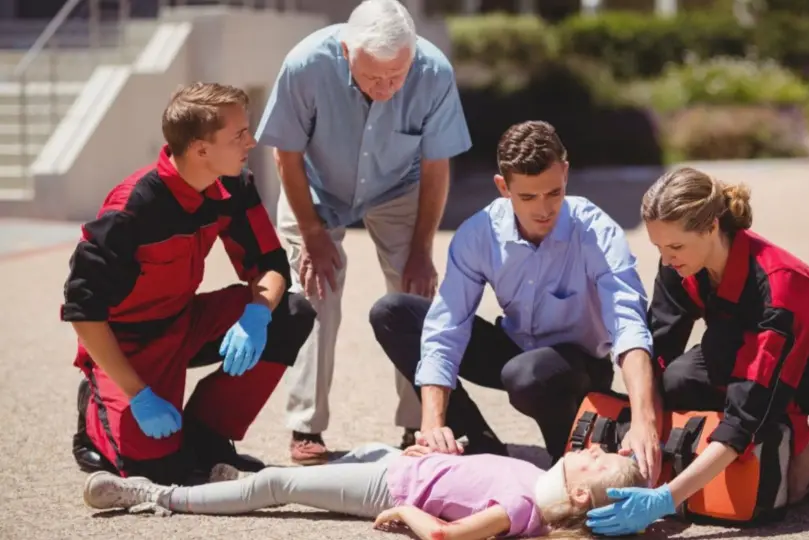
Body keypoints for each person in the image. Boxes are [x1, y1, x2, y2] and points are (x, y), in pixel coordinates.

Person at [584, 167, 809, 536]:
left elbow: (746, 411)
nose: (667, 258)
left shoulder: (776, 289)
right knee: (676, 378)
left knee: (741, 385)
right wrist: (642, 423)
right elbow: (659, 347)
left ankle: (804, 452)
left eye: (675, 246)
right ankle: (753, 451)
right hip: (747, 338)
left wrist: (664, 498)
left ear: (711, 227)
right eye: (658, 247)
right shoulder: (679, 263)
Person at [370, 120, 663, 476]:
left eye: (553, 193)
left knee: (528, 376)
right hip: (515, 349)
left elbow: (628, 323)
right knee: (393, 312)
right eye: (528, 197)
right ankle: (473, 441)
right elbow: (447, 326)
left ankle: (565, 450)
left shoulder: (596, 230)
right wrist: (432, 423)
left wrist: (645, 418)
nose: (544, 209)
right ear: (502, 187)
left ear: (565, 173)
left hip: (577, 367)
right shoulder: (479, 234)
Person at [63, 82, 316, 486]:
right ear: (201, 150)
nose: (251, 142)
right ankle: (94, 412)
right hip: (129, 345)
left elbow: (270, 266)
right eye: (239, 135)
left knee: (291, 312)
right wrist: (139, 395)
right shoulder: (131, 209)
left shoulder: (232, 185)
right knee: (158, 473)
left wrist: (256, 313)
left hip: (184, 321)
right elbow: (83, 310)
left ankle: (206, 434)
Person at [254, 0, 472, 465]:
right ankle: (305, 425)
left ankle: (418, 423)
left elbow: (436, 167)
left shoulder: (433, 71)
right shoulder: (306, 64)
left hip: (400, 184)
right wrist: (312, 233)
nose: (388, 88)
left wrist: (421, 250)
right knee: (315, 289)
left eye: (398, 76)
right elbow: (285, 156)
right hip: (314, 184)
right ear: (346, 49)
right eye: (374, 78)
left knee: (415, 292)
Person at [82, 442, 642, 539]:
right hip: (406, 465)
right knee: (289, 476)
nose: (591, 450)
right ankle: (240, 487)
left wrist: (405, 508)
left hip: (390, 485)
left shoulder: (526, 506)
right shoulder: (540, 478)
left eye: (597, 463)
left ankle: (153, 494)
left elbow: (448, 534)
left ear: (582, 498)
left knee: (280, 484)